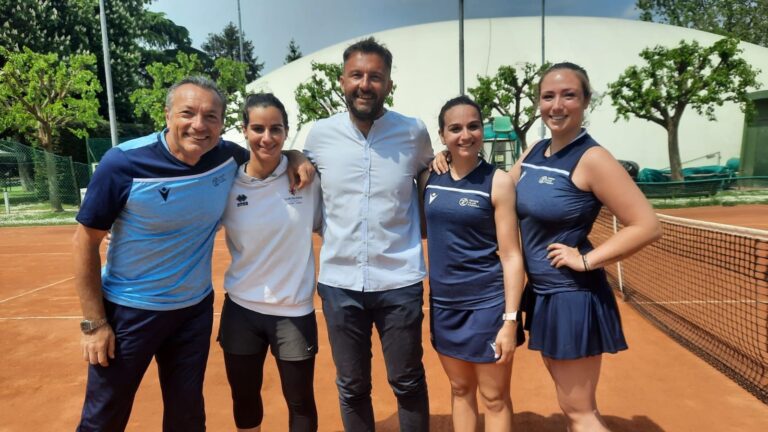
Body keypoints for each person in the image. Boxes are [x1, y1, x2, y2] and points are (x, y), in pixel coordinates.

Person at [73, 77, 313, 431]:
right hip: (129, 311)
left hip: (192, 313)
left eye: (211, 116)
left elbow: (267, 149)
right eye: (188, 113)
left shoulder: (226, 157)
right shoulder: (122, 164)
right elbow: (84, 241)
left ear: (222, 123)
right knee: (104, 414)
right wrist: (94, 324)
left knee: (187, 416)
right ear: (167, 114)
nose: (199, 125)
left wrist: (296, 154)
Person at [511, 62, 661, 432]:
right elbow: (498, 189)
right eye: (548, 96)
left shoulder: (593, 158)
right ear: (538, 103)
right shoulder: (535, 151)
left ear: (586, 101)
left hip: (571, 297)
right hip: (544, 293)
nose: (557, 105)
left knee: (579, 411)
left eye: (569, 95)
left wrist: (587, 259)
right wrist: (448, 158)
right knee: (573, 404)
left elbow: (647, 225)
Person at [303, 37, 433, 432]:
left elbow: (431, 177)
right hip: (340, 283)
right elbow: (300, 178)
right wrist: (292, 156)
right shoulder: (319, 135)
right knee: (352, 385)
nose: (365, 84)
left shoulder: (413, 132)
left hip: (400, 280)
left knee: (407, 381)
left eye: (375, 76)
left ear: (389, 84)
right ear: (342, 81)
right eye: (356, 75)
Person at [419, 96, 525, 432]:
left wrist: (510, 320)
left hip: (487, 307)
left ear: (483, 130)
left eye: (473, 126)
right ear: (442, 135)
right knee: (459, 389)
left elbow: (511, 256)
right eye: (455, 128)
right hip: (444, 307)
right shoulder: (428, 178)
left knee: (494, 398)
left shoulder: (498, 182)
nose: (465, 135)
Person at [218, 93, 322, 432]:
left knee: (301, 402)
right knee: (244, 399)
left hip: (293, 311)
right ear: (244, 130)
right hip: (241, 310)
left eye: (276, 129)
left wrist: (297, 156)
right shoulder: (226, 184)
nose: (267, 137)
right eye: (258, 128)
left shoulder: (306, 179)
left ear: (287, 131)